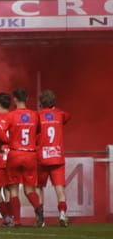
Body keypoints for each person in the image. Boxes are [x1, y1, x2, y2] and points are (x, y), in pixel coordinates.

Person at [4, 87, 44, 227]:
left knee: (13, 190)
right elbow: (39, 132)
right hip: (30, 154)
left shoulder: (10, 116)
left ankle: (17, 220)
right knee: (29, 190)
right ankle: (38, 208)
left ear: (14, 99)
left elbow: (2, 133)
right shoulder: (35, 115)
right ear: (27, 99)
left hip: (15, 153)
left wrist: (8, 142)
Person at [37, 89, 71, 227]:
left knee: (39, 188)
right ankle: (62, 214)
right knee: (59, 189)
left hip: (42, 157)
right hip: (57, 156)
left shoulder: (38, 116)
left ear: (41, 103)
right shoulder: (60, 114)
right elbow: (67, 116)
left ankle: (40, 217)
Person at [0, 92, 15, 227]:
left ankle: (6, 217)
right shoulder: (14, 117)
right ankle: (12, 216)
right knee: (10, 189)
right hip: (12, 156)